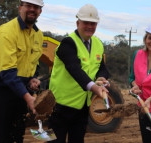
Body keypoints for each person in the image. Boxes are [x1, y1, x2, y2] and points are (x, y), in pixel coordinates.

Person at [47, 4, 110, 143]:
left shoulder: (98, 44)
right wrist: (95, 88)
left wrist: (101, 77)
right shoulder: (67, 43)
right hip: (59, 107)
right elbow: (74, 69)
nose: (89, 26)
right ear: (78, 23)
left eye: (93, 23)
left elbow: (102, 68)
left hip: (82, 108)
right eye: (86, 23)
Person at [0, 0, 44, 142]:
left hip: (19, 88)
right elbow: (7, 72)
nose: (32, 9)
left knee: (17, 132)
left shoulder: (38, 35)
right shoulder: (6, 32)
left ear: (40, 11)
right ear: (20, 8)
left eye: (36, 7)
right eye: (28, 6)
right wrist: (28, 97)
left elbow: (32, 63)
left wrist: (33, 78)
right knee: (0, 133)